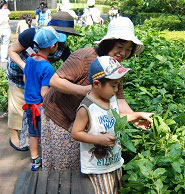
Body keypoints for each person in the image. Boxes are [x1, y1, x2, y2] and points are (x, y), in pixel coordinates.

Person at [41, 16, 146, 171]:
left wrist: (136, 116)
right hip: (59, 113)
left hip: (80, 118)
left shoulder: (115, 67)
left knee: (79, 162)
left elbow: (120, 101)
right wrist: (83, 90)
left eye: (129, 49)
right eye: (120, 47)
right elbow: (55, 81)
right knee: (63, 166)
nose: (123, 53)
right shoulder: (84, 56)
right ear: (109, 43)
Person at [71, 56, 153, 193]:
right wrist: (99, 140)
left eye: (118, 85)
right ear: (97, 84)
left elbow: (117, 118)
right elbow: (76, 132)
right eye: (114, 85)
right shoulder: (86, 108)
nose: (116, 89)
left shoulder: (111, 98)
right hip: (98, 167)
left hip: (114, 161)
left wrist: (137, 115)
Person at [7, 11, 79, 151]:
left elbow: (70, 67)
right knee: (18, 104)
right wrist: (26, 68)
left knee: (32, 105)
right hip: (19, 72)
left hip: (39, 78)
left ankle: (32, 137)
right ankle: (14, 137)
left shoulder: (62, 47)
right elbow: (12, 51)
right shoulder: (31, 34)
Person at [23, 27, 67, 171]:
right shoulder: (47, 67)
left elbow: (25, 78)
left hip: (29, 105)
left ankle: (35, 160)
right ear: (52, 46)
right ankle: (49, 159)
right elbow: (44, 92)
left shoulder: (29, 60)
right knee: (46, 133)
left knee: (33, 133)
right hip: (41, 107)